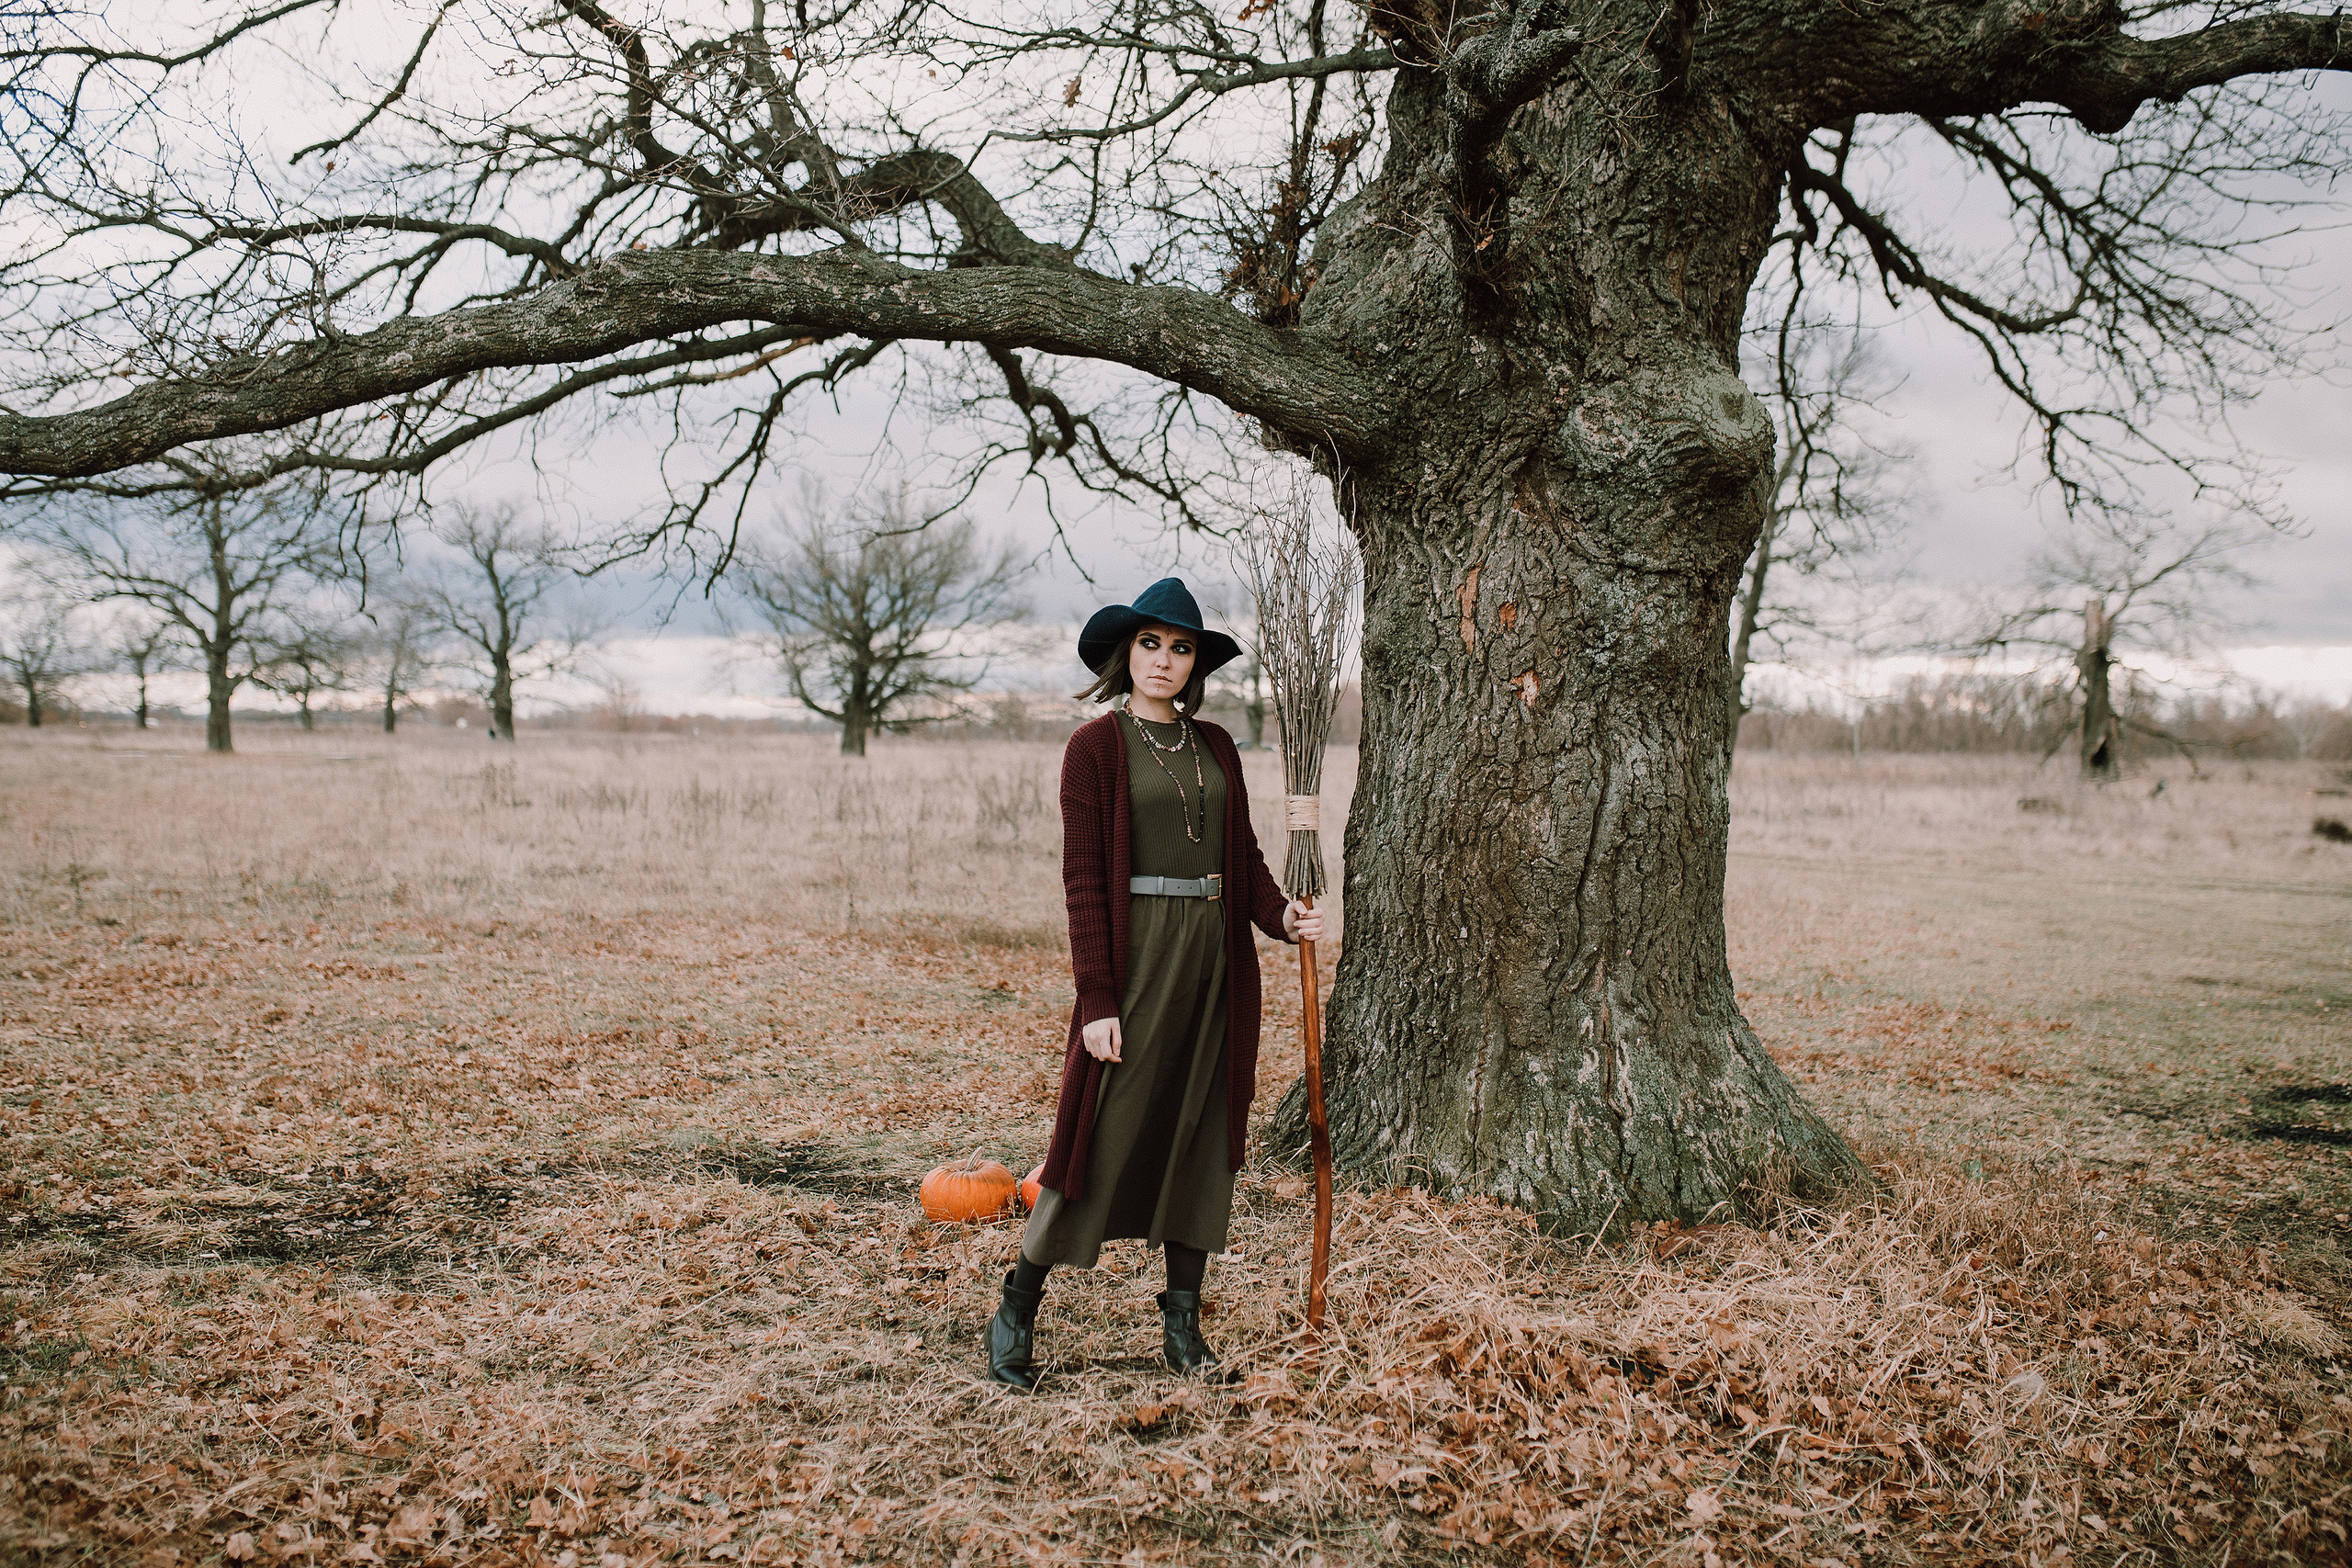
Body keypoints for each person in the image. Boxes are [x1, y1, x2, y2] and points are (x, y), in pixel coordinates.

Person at [984, 578, 1323, 1391]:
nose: (1164, 660)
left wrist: (1281, 915)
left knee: (1200, 1132)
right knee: (1099, 1131)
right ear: (1125, 653)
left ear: (1196, 662)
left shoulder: (1217, 747)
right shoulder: (1095, 748)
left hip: (1214, 962)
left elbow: (1241, 856)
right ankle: (1018, 1305)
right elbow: (1083, 883)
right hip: (1137, 961)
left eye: (1180, 648)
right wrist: (1097, 999)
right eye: (1150, 644)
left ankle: (1182, 1325)